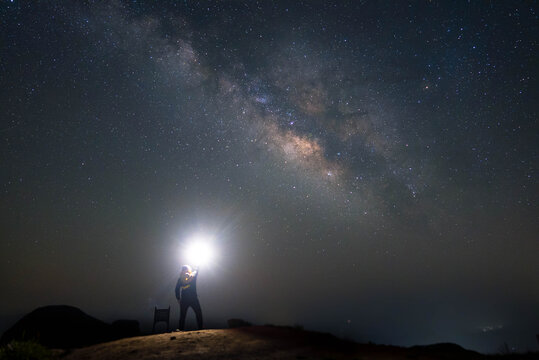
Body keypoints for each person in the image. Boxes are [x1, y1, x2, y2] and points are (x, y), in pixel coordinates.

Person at [175, 265, 203, 330]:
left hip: (184, 300)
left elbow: (176, 289)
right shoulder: (193, 276)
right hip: (194, 299)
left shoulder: (180, 279)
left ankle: (180, 329)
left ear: (182, 271)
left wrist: (178, 298)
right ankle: (200, 328)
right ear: (189, 270)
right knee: (198, 313)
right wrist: (197, 265)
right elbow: (196, 271)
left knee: (182, 316)